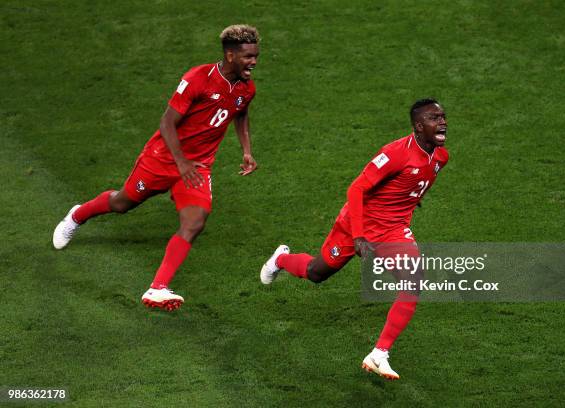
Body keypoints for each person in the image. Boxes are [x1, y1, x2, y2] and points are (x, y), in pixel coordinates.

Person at [53, 24, 261, 311]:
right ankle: (78, 215)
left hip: (197, 167)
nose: (253, 61)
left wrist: (247, 151)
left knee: (195, 222)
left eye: (255, 56)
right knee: (122, 203)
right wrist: (181, 162)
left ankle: (157, 288)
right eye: (248, 56)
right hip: (162, 160)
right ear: (230, 55)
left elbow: (240, 113)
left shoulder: (246, 88)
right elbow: (166, 123)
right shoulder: (198, 79)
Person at [260, 98, 449, 380]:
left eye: (443, 116)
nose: (443, 121)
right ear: (419, 127)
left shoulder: (441, 157)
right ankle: (281, 259)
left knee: (413, 283)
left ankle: (379, 354)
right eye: (435, 118)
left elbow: (412, 182)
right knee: (316, 273)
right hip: (356, 223)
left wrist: (411, 198)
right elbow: (356, 189)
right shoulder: (395, 153)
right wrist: (359, 236)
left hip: (393, 229)